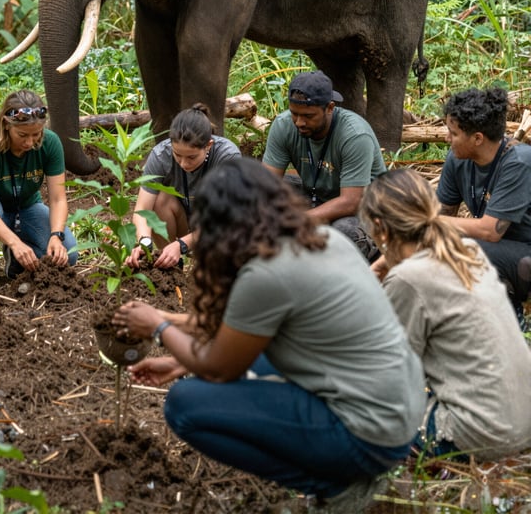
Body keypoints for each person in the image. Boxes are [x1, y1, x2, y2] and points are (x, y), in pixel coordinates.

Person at [112, 157, 425, 511]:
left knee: (185, 405)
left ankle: (335, 489)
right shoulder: (322, 238)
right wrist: (182, 362)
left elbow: (219, 368)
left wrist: (158, 325)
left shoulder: (266, 273)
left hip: (368, 435)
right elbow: (245, 338)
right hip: (403, 414)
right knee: (236, 367)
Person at [359, 168, 531, 460]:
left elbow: (388, 374)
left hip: (483, 436)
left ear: (381, 227)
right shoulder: (467, 250)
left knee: (355, 407)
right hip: (522, 421)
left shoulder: (408, 279)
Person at [0, 89, 78, 289]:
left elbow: (58, 199)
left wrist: (57, 236)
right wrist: (14, 241)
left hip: (26, 208)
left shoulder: (50, 142)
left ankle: (16, 260)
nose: (30, 142)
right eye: (22, 135)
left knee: (68, 255)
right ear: (6, 125)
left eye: (36, 134)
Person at [262, 70, 387, 260]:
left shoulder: (354, 135)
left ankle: (371, 250)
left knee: (343, 234)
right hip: (316, 196)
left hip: (362, 208)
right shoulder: (284, 125)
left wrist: (298, 222)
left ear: (329, 108)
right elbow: (265, 183)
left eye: (308, 116)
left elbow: (351, 201)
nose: (299, 122)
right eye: (294, 114)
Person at [436, 87, 531, 322]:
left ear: (477, 138)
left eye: (453, 133)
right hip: (500, 251)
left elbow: (490, 231)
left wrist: (426, 219)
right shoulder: (457, 159)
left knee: (466, 248)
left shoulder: (519, 162)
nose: (447, 139)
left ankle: (512, 319)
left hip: (524, 254)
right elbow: (442, 214)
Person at [127, 103, 240, 269]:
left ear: (208, 146)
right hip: (184, 223)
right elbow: (142, 209)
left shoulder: (227, 157)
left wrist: (182, 244)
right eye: (177, 155)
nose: (184, 163)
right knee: (160, 199)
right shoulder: (160, 155)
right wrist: (144, 242)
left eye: (192, 157)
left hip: (219, 230)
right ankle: (170, 265)